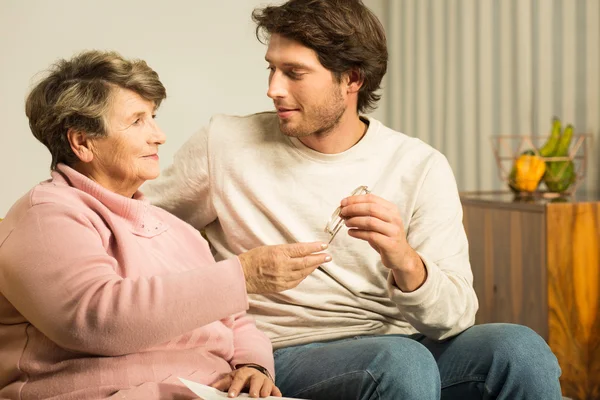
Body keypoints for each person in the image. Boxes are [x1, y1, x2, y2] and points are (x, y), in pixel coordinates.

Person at [144, 0, 563, 398]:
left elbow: (455, 318)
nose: (273, 88)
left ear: (352, 79)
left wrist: (403, 259)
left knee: (518, 348)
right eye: (271, 69)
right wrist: (231, 280)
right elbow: (134, 225)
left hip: (402, 343)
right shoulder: (225, 144)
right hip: (280, 352)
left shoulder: (419, 165)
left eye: (294, 73)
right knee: (400, 362)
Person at [0, 50, 331, 399]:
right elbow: (98, 321)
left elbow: (235, 321)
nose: (159, 136)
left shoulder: (178, 230)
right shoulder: (47, 215)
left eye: (153, 117)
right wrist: (242, 275)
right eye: (137, 121)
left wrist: (253, 365)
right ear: (81, 142)